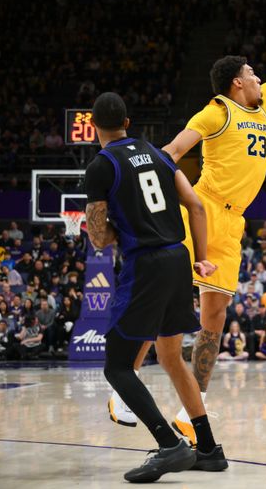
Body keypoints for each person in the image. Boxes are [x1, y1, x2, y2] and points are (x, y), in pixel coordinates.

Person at [103, 0, 266, 443]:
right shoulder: (217, 111)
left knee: (214, 317)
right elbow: (173, 152)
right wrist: (149, 197)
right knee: (159, 302)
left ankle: (189, 405)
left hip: (233, 223)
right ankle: (125, 386)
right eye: (252, 72)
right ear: (237, 83)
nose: (260, 76)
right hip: (202, 209)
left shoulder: (265, 103)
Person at [84, 92, 224, 482]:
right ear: (127, 123)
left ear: (96, 127)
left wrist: (116, 225)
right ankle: (209, 449)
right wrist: (202, 256)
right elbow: (195, 205)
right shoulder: (159, 153)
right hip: (179, 258)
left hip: (145, 265)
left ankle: (169, 444)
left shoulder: (101, 165)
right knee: (170, 356)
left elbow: (99, 238)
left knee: (117, 366)